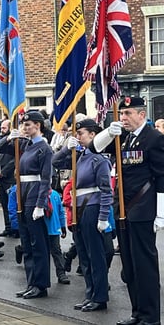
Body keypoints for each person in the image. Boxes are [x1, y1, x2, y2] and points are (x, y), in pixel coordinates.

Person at [90, 97, 164, 325]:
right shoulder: (124, 139)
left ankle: (150, 317)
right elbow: (93, 147)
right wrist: (109, 131)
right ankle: (137, 312)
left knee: (144, 266)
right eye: (121, 113)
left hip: (143, 210)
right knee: (129, 266)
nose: (123, 118)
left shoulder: (154, 138)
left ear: (141, 114)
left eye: (127, 113)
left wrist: (162, 213)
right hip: (124, 211)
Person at [53, 119, 112, 312]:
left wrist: (103, 217)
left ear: (93, 135)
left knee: (96, 256)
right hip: (78, 208)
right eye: (76, 134)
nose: (77, 137)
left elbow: (106, 190)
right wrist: (65, 148)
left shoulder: (99, 159)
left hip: (92, 207)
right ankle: (90, 294)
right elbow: (56, 162)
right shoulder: (78, 155)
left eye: (81, 133)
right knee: (84, 256)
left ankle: (100, 296)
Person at [1, 111, 53, 299]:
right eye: (23, 125)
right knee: (27, 243)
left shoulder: (44, 149)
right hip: (22, 194)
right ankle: (31, 282)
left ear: (38, 126)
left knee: (38, 243)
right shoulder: (24, 144)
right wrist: (10, 137)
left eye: (28, 125)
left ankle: (41, 284)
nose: (24, 128)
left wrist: (41, 204)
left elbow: (46, 178)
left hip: (34, 194)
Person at [0, 119, 17, 238]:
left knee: (12, 205)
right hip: (1, 178)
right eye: (1, 128)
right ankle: (8, 227)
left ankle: (15, 228)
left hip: (10, 178)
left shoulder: (13, 141)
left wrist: (3, 172)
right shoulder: (2, 141)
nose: (1, 130)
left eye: (4, 128)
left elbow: (14, 160)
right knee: (4, 204)